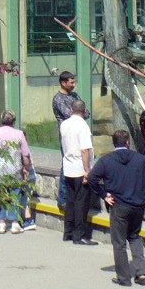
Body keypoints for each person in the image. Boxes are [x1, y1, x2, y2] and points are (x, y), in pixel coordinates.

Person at [87, 128, 145, 286]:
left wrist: (103, 195)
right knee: (135, 237)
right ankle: (141, 273)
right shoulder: (140, 159)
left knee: (119, 242)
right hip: (137, 205)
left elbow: (92, 177)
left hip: (118, 204)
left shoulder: (106, 160)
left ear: (114, 143)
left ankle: (124, 278)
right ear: (128, 142)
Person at [0, 110, 33, 234]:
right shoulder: (19, 134)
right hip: (15, 170)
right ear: (14, 121)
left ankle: (1, 222)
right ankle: (15, 222)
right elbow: (26, 154)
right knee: (15, 195)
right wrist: (27, 168)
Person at [60, 98, 96, 245]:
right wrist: (88, 170)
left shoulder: (64, 124)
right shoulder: (83, 126)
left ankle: (68, 232)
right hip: (80, 167)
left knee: (70, 201)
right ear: (84, 111)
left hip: (68, 165)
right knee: (81, 203)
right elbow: (85, 150)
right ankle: (79, 235)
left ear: (71, 110)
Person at [52, 71, 83, 211]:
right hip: (66, 136)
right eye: (71, 82)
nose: (74, 84)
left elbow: (85, 112)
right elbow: (70, 115)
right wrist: (79, 112)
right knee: (67, 163)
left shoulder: (75, 96)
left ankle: (76, 195)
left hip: (78, 134)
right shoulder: (58, 99)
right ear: (63, 83)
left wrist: (80, 112)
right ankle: (63, 198)